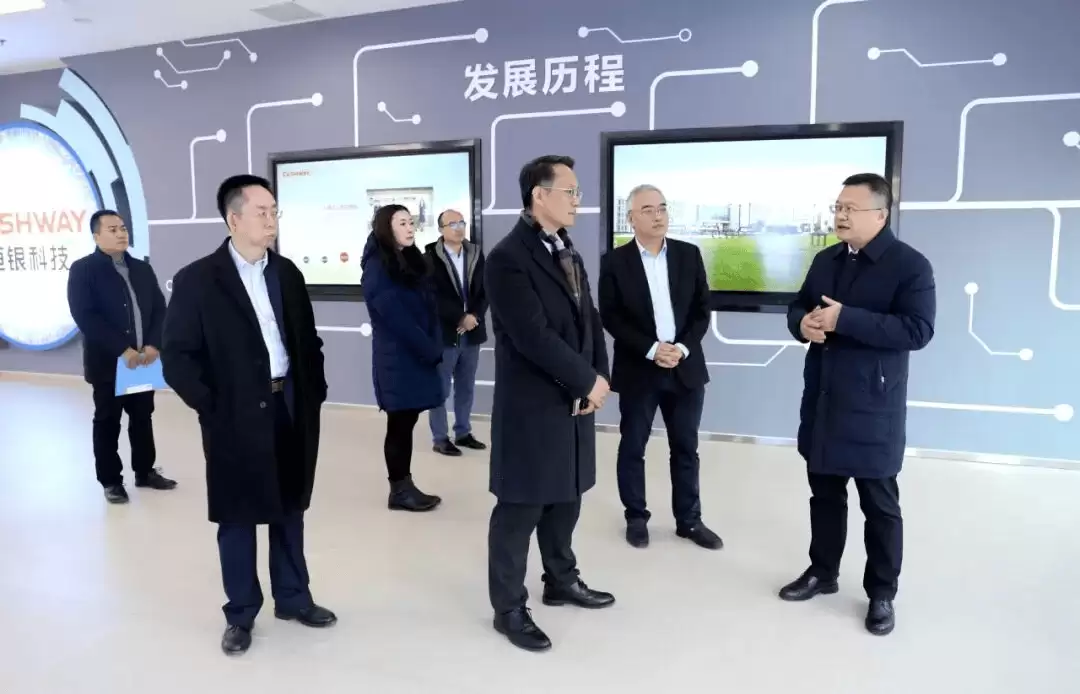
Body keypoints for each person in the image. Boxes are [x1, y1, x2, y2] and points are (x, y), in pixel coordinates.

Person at [161, 174, 337, 656]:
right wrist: (212, 406)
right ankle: (240, 613)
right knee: (237, 515)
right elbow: (177, 356)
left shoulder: (287, 274)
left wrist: (314, 392)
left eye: (274, 211)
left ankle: (293, 598)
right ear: (233, 218)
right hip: (233, 415)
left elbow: (308, 343)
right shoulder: (199, 279)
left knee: (290, 509)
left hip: (289, 406)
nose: (271, 220)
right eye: (262, 212)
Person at [780, 172, 936, 637]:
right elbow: (798, 306)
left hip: (872, 406)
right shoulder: (825, 259)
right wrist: (802, 325)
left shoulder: (910, 265)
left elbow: (917, 330)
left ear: (880, 215)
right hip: (824, 399)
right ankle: (822, 572)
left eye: (851, 208)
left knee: (880, 506)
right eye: (838, 207)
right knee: (825, 495)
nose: (841, 215)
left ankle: (882, 592)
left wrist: (845, 319)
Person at [484, 154, 615, 653]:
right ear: (539, 195)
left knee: (567, 495)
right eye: (570, 191)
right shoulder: (507, 258)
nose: (578, 200)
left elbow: (589, 318)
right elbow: (533, 336)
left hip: (574, 398)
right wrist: (585, 381)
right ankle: (508, 608)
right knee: (521, 507)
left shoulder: (566, 248)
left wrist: (599, 377)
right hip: (534, 406)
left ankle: (560, 579)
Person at [598, 184, 721, 550]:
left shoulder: (688, 255)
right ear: (631, 218)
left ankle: (689, 521)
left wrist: (680, 348)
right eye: (648, 210)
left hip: (685, 367)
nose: (658, 216)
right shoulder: (615, 262)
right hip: (640, 368)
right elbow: (611, 317)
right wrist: (652, 350)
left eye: (662, 208)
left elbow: (702, 311)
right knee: (633, 445)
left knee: (686, 448)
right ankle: (636, 517)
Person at [66, 209, 176, 503]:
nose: (121, 234)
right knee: (108, 421)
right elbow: (85, 317)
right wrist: (121, 349)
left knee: (142, 417)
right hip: (109, 363)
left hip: (142, 361)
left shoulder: (141, 269)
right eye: (112, 229)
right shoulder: (83, 270)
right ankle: (111, 481)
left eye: (123, 228)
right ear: (96, 236)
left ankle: (145, 471)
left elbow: (159, 309)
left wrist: (153, 345)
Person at [361, 204, 443, 512]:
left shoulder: (409, 260)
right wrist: (429, 348)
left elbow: (428, 308)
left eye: (411, 223)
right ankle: (399, 490)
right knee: (399, 424)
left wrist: (433, 342)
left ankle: (405, 486)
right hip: (398, 359)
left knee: (406, 422)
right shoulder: (377, 266)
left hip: (417, 355)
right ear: (387, 227)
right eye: (402, 223)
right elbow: (397, 319)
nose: (410, 228)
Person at [424, 208, 488, 457]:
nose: (459, 227)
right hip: (444, 333)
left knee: (466, 386)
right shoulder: (429, 258)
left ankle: (463, 432)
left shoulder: (476, 253)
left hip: (472, 332)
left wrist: (474, 316)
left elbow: (485, 290)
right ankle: (440, 438)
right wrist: (460, 317)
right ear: (441, 229)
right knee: (439, 389)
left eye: (462, 222)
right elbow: (432, 296)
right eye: (452, 224)